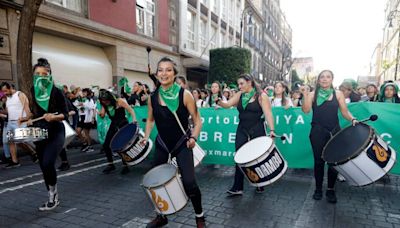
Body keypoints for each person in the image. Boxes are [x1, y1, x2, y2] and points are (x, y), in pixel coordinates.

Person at [141, 57, 205, 228]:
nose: (164, 73)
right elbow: (150, 120)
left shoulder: (185, 95)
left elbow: (198, 121)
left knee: (190, 183)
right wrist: (146, 137)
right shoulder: (152, 97)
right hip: (162, 143)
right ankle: (161, 215)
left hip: (182, 144)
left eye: (168, 70)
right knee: (154, 182)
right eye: (160, 70)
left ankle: (200, 216)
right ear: (156, 74)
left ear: (175, 74)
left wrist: (193, 138)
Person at [301, 70, 358, 204]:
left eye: (328, 77)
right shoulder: (311, 94)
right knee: (319, 162)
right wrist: (304, 95)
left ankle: (331, 189)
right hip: (317, 132)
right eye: (322, 77)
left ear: (332, 79)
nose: (325, 79)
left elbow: (345, 112)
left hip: (334, 132)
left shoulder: (338, 94)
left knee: (333, 162)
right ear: (318, 80)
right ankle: (318, 189)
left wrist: (353, 119)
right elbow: (306, 110)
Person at [21, 58, 69, 210]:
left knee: (48, 162)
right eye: (38, 73)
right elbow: (35, 112)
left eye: (44, 73)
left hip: (56, 131)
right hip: (39, 131)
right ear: (34, 75)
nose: (41, 76)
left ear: (49, 75)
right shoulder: (33, 90)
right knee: (43, 166)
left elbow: (65, 114)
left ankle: (53, 195)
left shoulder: (57, 91)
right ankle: (51, 192)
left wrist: (54, 116)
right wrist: (27, 119)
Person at [217, 73, 275, 195]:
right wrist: (218, 101)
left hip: (257, 128)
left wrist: (272, 130)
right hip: (242, 128)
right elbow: (227, 105)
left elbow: (268, 113)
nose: (239, 86)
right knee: (239, 157)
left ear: (250, 82)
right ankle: (238, 187)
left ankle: (260, 183)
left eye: (242, 83)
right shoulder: (239, 95)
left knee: (257, 157)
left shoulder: (261, 96)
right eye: (238, 84)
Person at [98, 89, 137, 174]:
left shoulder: (119, 101)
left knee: (122, 146)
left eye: (106, 100)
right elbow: (102, 115)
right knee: (106, 145)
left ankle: (125, 165)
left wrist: (134, 120)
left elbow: (131, 110)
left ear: (110, 98)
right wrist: (100, 113)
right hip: (114, 125)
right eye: (103, 101)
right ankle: (110, 164)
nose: (105, 102)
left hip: (123, 124)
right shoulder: (104, 105)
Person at [0, 82, 33, 168]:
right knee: (11, 141)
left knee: (20, 141)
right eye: (3, 92)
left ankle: (33, 152)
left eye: (6, 91)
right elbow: (9, 112)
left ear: (10, 88)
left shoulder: (20, 94)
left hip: (20, 122)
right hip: (10, 122)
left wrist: (24, 119)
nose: (5, 93)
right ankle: (15, 161)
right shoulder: (7, 98)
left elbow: (28, 111)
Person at [74, 88, 96, 152]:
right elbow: (76, 105)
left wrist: (83, 104)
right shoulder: (80, 99)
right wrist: (79, 104)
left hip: (87, 117)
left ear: (88, 93)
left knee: (86, 133)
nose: (83, 93)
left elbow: (91, 107)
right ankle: (84, 143)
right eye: (83, 92)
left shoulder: (90, 100)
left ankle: (89, 146)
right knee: (78, 131)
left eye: (85, 92)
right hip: (81, 117)